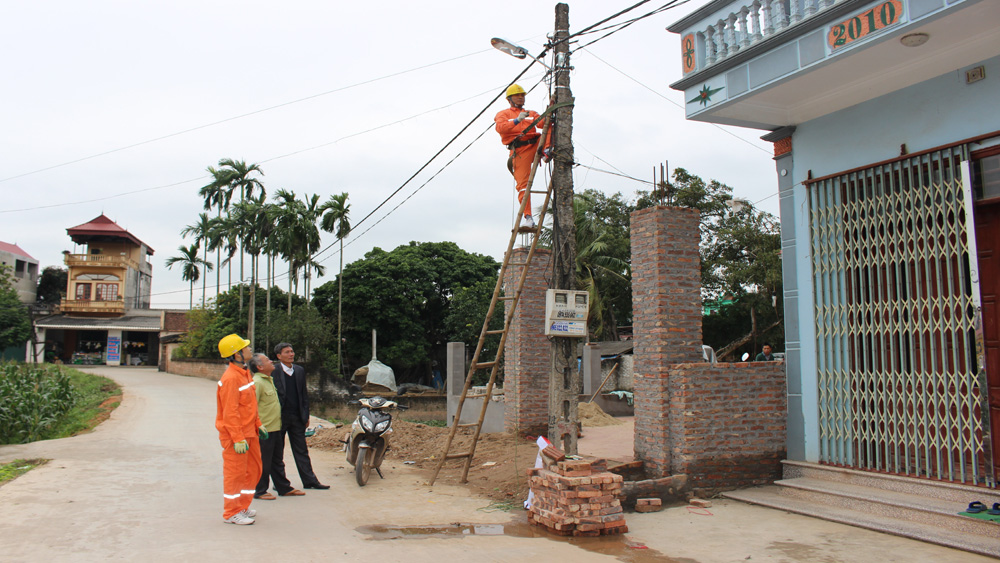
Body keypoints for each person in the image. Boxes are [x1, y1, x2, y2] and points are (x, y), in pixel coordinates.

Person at [215, 334, 266, 525]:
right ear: (236, 354)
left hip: (249, 433)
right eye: (246, 348)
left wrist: (258, 425)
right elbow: (230, 412)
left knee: (253, 471)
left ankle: (242, 506)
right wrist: (237, 438)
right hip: (237, 437)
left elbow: (250, 405)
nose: (249, 350)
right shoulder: (230, 379)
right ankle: (231, 512)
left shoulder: (244, 374)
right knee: (235, 474)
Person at [272, 342, 329, 490]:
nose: (291, 354)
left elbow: (303, 394)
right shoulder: (274, 370)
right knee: (278, 451)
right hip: (279, 417)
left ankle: (310, 481)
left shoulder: (299, 371)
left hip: (297, 416)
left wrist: (306, 414)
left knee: (301, 449)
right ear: (279, 356)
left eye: (292, 351)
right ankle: (280, 482)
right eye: (287, 352)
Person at [494, 83, 552, 229]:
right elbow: (500, 128)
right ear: (509, 99)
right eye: (517, 95)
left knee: (550, 126)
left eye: (522, 95)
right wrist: (517, 120)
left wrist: (551, 110)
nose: (520, 98)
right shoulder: (504, 114)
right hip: (520, 150)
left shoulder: (531, 113)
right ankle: (528, 217)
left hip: (536, 144)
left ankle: (547, 151)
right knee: (522, 186)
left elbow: (544, 122)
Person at [249, 353, 303, 500]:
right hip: (264, 430)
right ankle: (259, 490)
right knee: (263, 461)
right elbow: (251, 408)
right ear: (260, 367)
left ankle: (283, 488)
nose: (271, 361)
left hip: (275, 427)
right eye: (267, 360)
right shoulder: (257, 383)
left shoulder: (269, 380)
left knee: (277, 460)